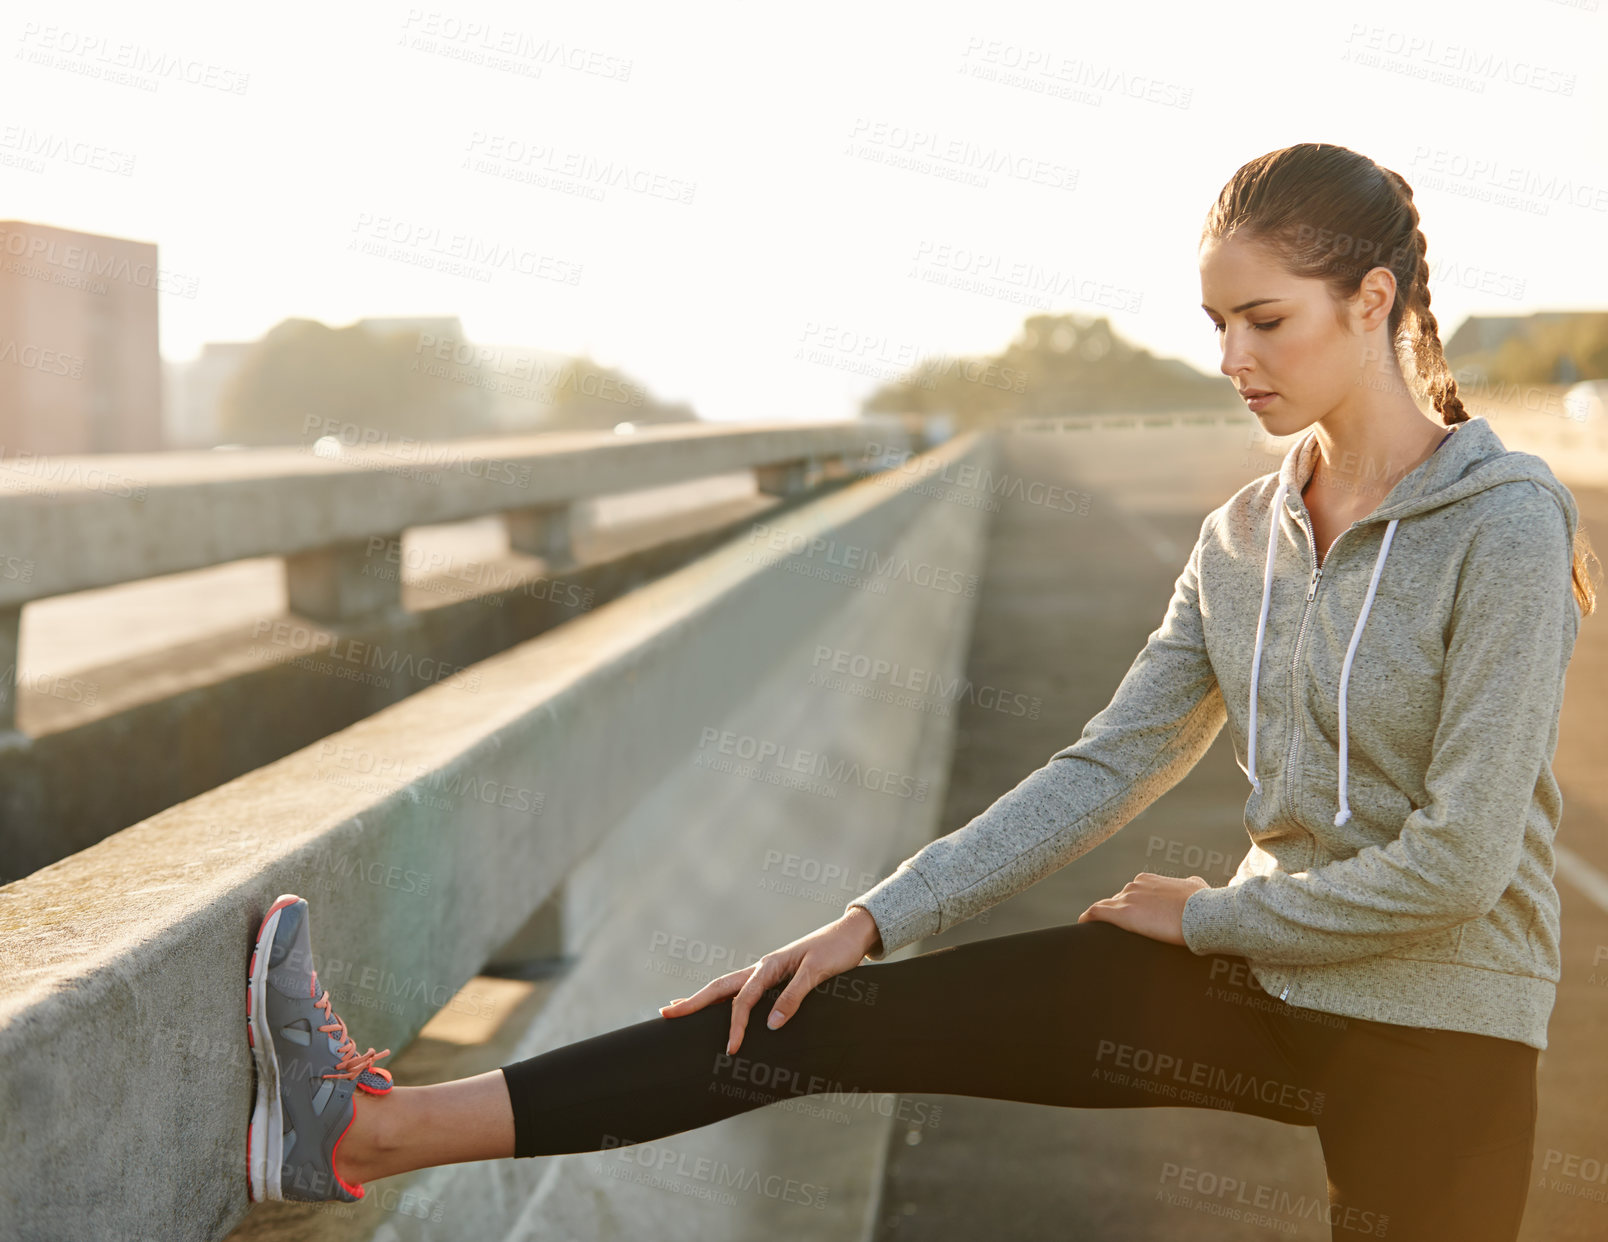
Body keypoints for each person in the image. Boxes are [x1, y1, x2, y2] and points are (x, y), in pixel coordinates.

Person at [244, 143, 1599, 1240]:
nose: (1233, 359)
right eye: (1215, 324)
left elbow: (1463, 864)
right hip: (1260, 973)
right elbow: (1103, 765)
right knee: (801, 1014)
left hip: (1443, 1023)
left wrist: (1208, 916)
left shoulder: (1504, 521)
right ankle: (369, 1128)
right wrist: (871, 920)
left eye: (1266, 321)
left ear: (1375, 301)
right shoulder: (1245, 533)